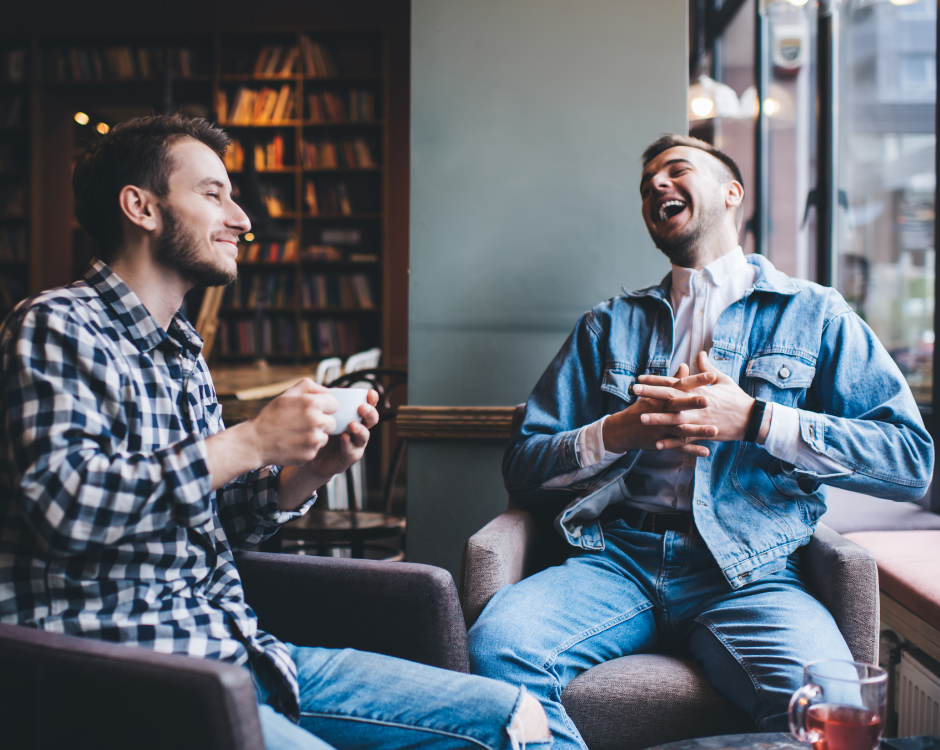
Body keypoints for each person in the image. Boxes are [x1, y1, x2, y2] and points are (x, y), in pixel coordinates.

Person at [0, 114, 550, 750]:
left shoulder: (181, 351)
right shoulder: (57, 324)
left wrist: (306, 470)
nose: (241, 218)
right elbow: (63, 507)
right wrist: (251, 441)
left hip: (243, 653)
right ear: (140, 207)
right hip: (131, 676)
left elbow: (213, 525)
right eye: (214, 194)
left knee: (517, 718)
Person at [468, 134, 934, 750]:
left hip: (755, 573)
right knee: (496, 651)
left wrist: (757, 420)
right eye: (645, 185)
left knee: (834, 711)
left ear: (731, 193)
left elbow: (909, 462)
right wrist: (616, 432)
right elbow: (522, 468)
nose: (656, 186)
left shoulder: (816, 314)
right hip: (615, 558)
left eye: (676, 170)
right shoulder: (607, 324)